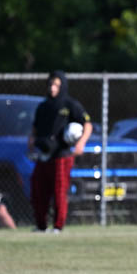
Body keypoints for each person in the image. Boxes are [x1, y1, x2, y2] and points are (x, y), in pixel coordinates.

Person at [27, 70, 92, 232]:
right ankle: (41, 226)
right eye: (50, 84)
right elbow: (35, 128)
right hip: (43, 155)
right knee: (38, 191)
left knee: (59, 191)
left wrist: (81, 143)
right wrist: (31, 141)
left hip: (61, 156)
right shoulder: (43, 106)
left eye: (56, 84)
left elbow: (87, 125)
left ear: (62, 86)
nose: (52, 88)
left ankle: (58, 226)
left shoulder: (70, 105)